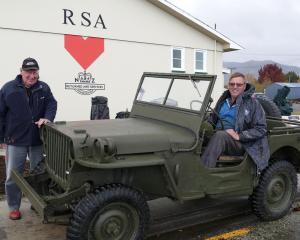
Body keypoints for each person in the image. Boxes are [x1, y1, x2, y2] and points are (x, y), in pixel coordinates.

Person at [0, 57, 57, 220]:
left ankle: (36, 202)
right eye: (28, 72)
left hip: (37, 139)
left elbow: (52, 104)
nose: (32, 76)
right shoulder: (9, 88)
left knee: (38, 174)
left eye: (35, 72)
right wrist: (2, 137)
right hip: (15, 140)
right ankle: (14, 207)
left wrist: (47, 118)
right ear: (21, 71)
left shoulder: (43, 88)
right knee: (13, 175)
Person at [201, 72, 269, 170]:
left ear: (244, 86)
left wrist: (239, 135)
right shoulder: (223, 101)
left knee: (220, 136)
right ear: (228, 86)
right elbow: (213, 119)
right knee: (196, 133)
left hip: (241, 143)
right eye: (232, 84)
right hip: (217, 135)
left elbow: (261, 129)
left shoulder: (253, 104)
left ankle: (203, 173)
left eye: (239, 84)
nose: (235, 87)